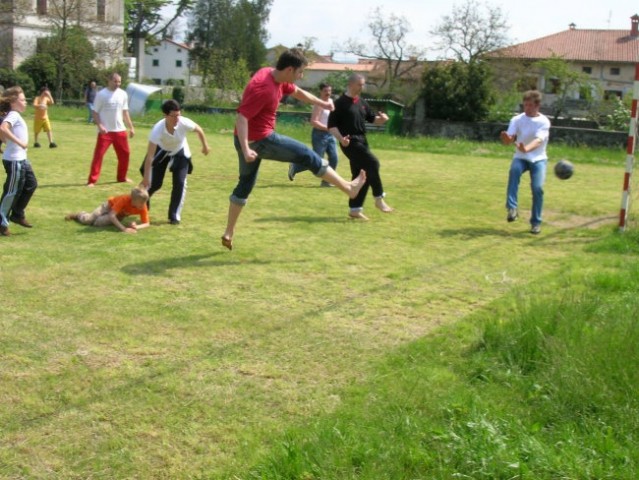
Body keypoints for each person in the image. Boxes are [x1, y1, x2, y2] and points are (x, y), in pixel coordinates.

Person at [220, 48, 366, 251]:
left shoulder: (272, 75)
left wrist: (321, 103)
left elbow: (297, 91)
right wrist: (246, 149)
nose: (301, 76)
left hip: (246, 139)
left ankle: (228, 232)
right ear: (289, 69)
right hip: (260, 140)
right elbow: (242, 117)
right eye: (300, 72)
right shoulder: (262, 87)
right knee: (307, 155)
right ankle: (349, 189)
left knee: (245, 184)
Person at [327, 73, 394, 221]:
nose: (362, 87)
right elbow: (331, 126)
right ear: (351, 84)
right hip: (349, 142)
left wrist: (382, 120)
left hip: (362, 140)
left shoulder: (362, 102)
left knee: (361, 175)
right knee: (373, 163)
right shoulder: (339, 103)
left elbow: (372, 119)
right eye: (360, 84)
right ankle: (379, 198)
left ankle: (355, 209)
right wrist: (341, 139)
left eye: (363, 84)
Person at [140, 99, 211, 225]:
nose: (177, 118)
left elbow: (199, 129)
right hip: (161, 150)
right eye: (174, 116)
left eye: (179, 115)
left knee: (180, 182)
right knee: (154, 183)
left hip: (179, 151)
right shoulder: (157, 130)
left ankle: (174, 216)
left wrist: (205, 145)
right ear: (165, 115)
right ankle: (143, 204)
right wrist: (146, 178)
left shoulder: (184, 122)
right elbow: (150, 156)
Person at [500, 90, 551, 235]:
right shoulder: (517, 119)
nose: (527, 108)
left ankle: (535, 223)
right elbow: (509, 139)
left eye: (530, 105)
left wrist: (526, 148)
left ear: (537, 106)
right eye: (525, 105)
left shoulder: (544, 122)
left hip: (538, 158)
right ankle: (512, 208)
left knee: (538, 188)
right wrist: (506, 139)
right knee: (514, 171)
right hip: (521, 157)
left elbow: (539, 140)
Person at [0, 86, 38, 236]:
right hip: (15, 161)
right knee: (11, 192)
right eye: (23, 100)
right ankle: (2, 223)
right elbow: (3, 127)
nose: (25, 102)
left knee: (31, 184)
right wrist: (20, 143)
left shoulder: (15, 114)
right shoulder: (14, 114)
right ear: (14, 102)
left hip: (22, 160)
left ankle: (17, 214)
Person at [87, 72, 135, 187]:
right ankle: (92, 180)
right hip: (106, 132)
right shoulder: (101, 94)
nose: (117, 84)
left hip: (120, 130)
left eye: (119, 81)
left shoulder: (123, 94)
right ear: (109, 81)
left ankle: (122, 177)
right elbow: (95, 112)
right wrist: (100, 125)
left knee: (125, 154)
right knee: (99, 155)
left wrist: (131, 127)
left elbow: (125, 112)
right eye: (115, 81)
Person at [288, 82, 338, 187]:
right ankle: (295, 167)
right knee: (317, 159)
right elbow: (314, 122)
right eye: (325, 91)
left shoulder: (331, 102)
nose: (328, 93)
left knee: (334, 158)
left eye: (329, 91)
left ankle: (326, 181)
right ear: (321, 92)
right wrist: (327, 128)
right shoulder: (318, 104)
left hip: (330, 135)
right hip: (319, 135)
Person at [65, 185, 150, 234]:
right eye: (141, 203)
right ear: (133, 200)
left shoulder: (143, 206)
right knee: (89, 220)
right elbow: (111, 215)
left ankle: (93, 220)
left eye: (145, 202)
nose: (144, 205)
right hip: (108, 206)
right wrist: (124, 229)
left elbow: (147, 223)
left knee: (97, 223)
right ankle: (79, 215)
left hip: (118, 215)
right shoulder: (124, 199)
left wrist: (136, 227)